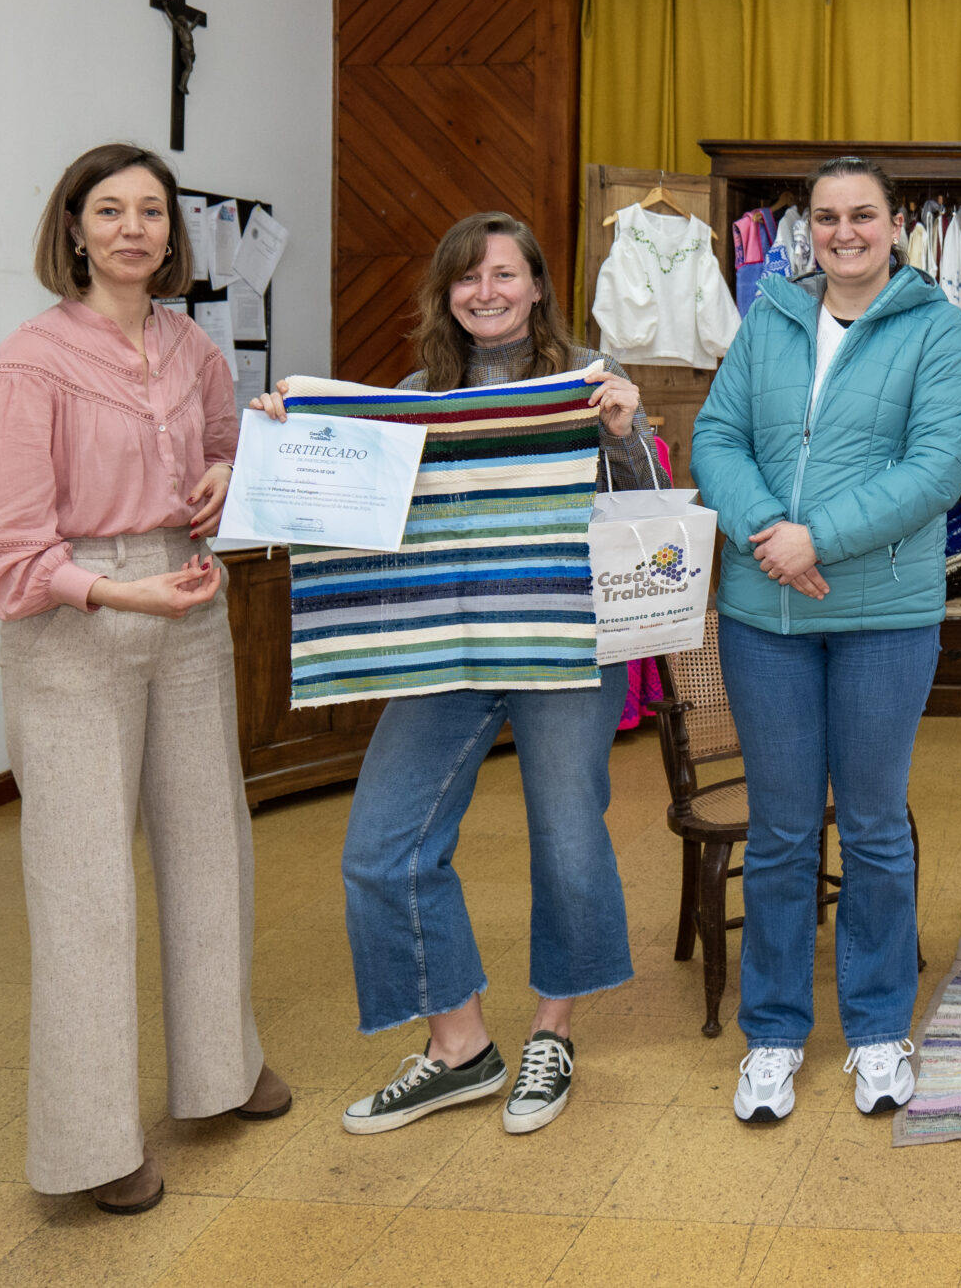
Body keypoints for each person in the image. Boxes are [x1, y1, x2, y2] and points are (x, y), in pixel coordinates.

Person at [253, 212, 667, 1136]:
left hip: (568, 641)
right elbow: (351, 512)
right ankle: (461, 1046)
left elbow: (648, 514)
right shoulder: (415, 394)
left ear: (537, 286)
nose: (486, 292)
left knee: (567, 836)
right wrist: (294, 439)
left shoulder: (587, 378)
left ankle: (553, 1031)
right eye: (467, 277)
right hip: (447, 646)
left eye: (504, 274)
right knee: (380, 845)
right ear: (447, 294)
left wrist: (623, 433)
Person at [0, 143, 289, 1214]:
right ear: (74, 229)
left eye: (151, 211)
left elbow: (227, 445)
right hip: (75, 618)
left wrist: (226, 470)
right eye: (110, 210)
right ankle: (93, 1143)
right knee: (85, 885)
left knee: (210, 847)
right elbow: (0, 548)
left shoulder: (192, 346)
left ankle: (222, 1068)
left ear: (171, 233)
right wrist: (114, 591)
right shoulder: (27, 364)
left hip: (186, 600)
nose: (133, 228)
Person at [692, 155, 961, 1123]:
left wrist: (817, 538)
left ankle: (878, 1025)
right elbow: (716, 438)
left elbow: (937, 467)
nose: (844, 232)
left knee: (872, 827)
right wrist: (768, 532)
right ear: (805, 229)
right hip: (764, 615)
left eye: (863, 215)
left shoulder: (936, 326)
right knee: (779, 833)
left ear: (897, 225)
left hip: (883, 617)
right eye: (826, 217)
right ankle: (774, 1032)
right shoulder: (770, 315)